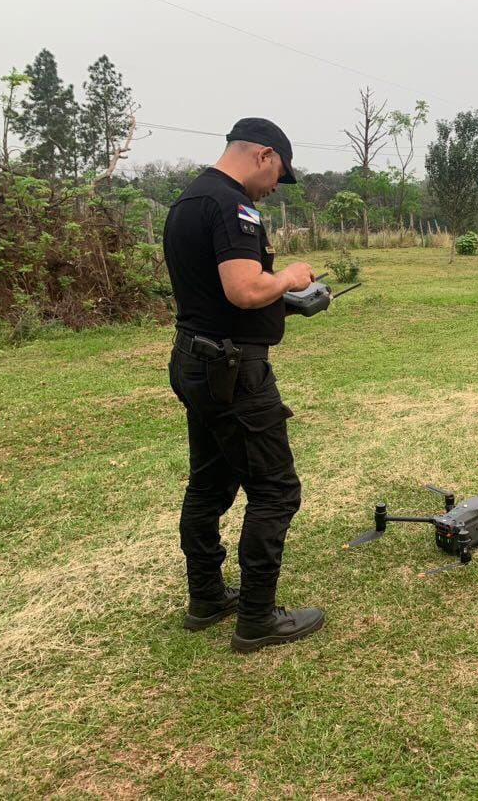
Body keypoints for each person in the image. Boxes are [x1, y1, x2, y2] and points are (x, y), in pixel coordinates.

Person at [163, 117, 325, 653]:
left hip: (196, 361)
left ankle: (206, 597)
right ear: (262, 156)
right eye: (279, 172)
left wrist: (277, 305)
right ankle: (257, 617)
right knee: (276, 490)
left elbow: (213, 295)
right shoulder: (234, 207)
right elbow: (242, 288)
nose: (276, 185)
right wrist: (291, 278)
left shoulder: (188, 201)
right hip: (233, 373)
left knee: (209, 484)